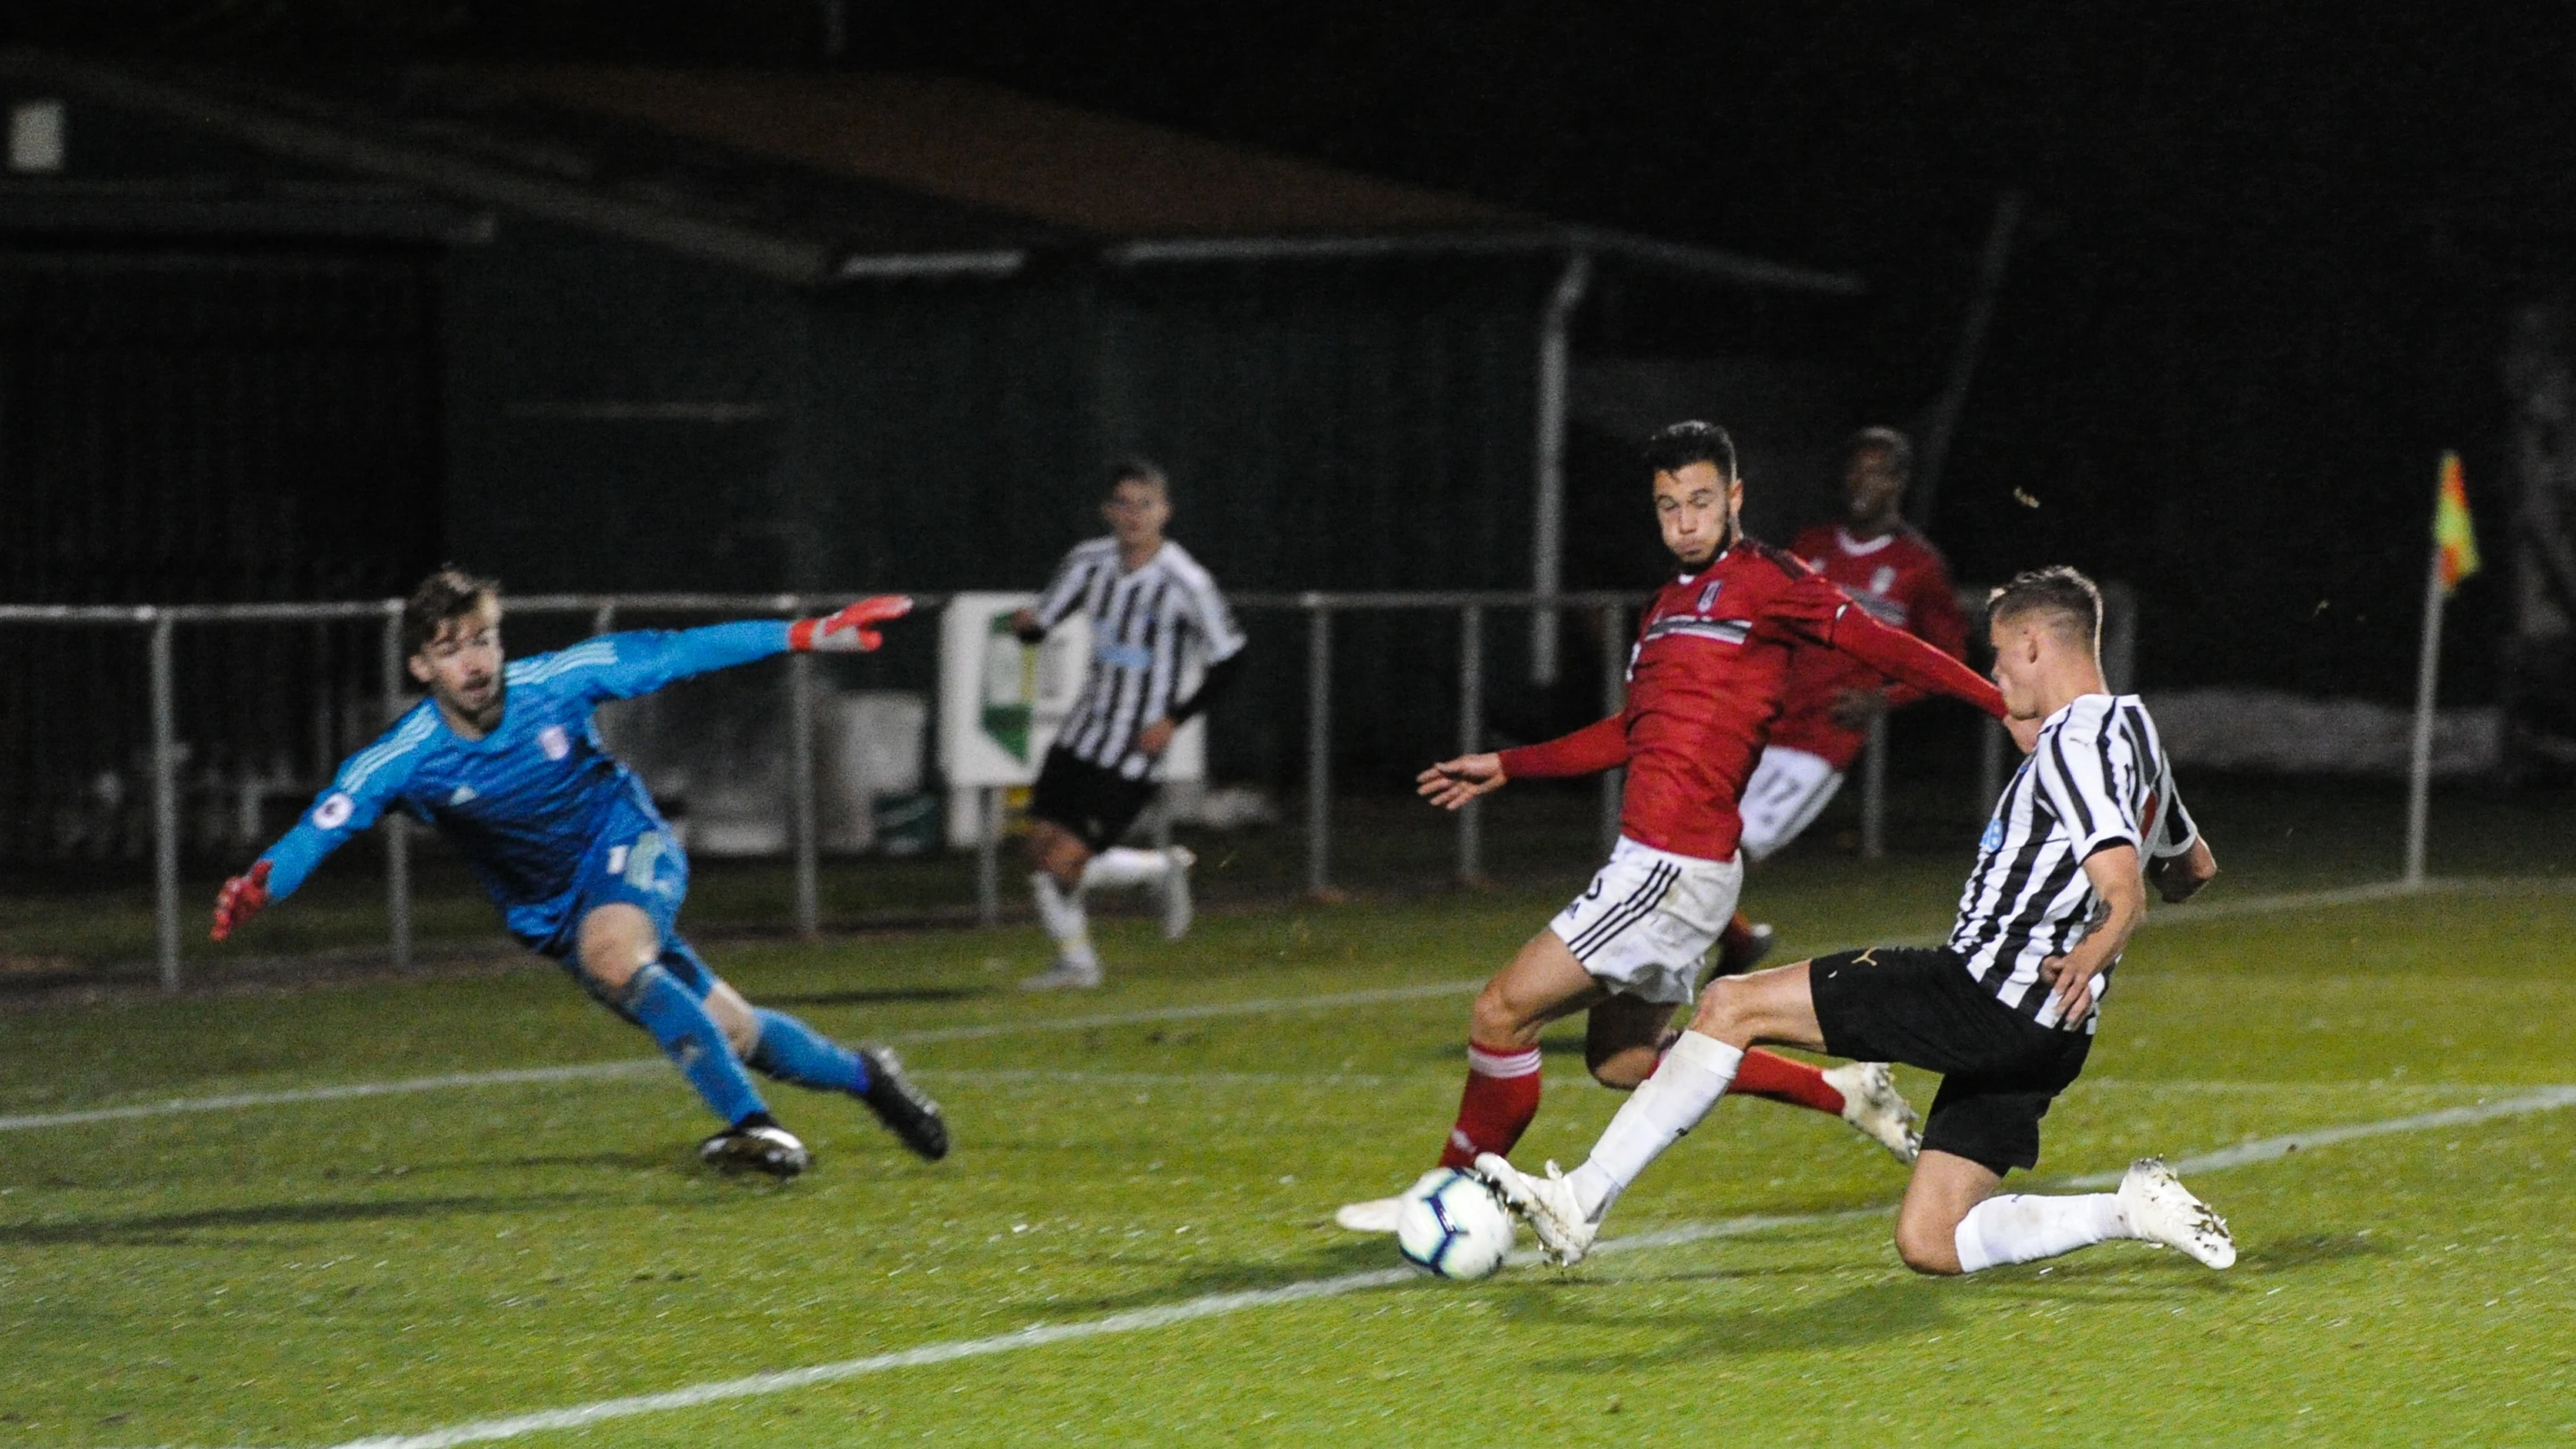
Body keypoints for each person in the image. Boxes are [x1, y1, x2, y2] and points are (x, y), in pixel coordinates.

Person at [1335, 421, 2010, 1233]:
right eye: (1666, 507)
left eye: (1698, 502)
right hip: (1668, 865)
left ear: (1732, 499)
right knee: (1623, 1063)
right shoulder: (1664, 607)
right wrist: (1512, 764)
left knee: (1499, 1012)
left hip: (1669, 865)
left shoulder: (1772, 580)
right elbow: (1630, 731)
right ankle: (1839, 1090)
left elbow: (1888, 646)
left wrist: (2006, 706)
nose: (1684, 522)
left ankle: (1442, 1197)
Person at [1476, 566, 2237, 1277]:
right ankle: (2129, 1209)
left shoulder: (2076, 742)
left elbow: (2122, 888)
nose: (1997, 675)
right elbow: (2192, 867)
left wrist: (2099, 937)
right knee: (1931, 1240)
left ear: (2035, 645)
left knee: (1731, 1005)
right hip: (2051, 1035)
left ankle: (1579, 1203)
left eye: (2001, 656)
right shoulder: (2134, 734)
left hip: (1983, 993)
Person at [209, 568, 949, 1180]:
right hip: (550, 913)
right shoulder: (407, 756)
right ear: (421, 667)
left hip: (629, 848)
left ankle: (754, 1129)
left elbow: (684, 651)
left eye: (485, 640)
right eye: (451, 649)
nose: (475, 662)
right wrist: (262, 886)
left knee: (616, 955)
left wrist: (804, 633)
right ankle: (868, 1077)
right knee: (733, 1028)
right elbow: (321, 827)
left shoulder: (558, 683)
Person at [1711, 427, 1973, 994]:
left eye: (1878, 470)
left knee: (1722, 851)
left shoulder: (1916, 565)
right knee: (1692, 837)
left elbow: (1947, 658)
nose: (1862, 481)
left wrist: (1883, 699)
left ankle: (1671, 980)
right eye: (1856, 468)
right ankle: (1736, 940)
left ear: (1900, 482)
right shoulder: (1810, 544)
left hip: (1819, 742)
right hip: (1760, 720)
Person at [1011, 460, 1247, 990]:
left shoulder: (1186, 580)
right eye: (1122, 503)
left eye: (1145, 504)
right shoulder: (1088, 562)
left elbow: (1230, 658)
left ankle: (1080, 965)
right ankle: (1156, 871)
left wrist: (1175, 718)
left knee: (1062, 861)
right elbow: (1042, 624)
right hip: (1082, 731)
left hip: (1134, 744)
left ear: (1165, 511)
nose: (1133, 514)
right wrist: (1026, 626)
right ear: (1106, 510)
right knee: (1039, 853)